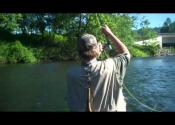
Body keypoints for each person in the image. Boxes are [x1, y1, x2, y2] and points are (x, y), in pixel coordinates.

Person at [66, 25, 131, 112]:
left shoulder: (71, 73)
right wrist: (109, 34)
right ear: (96, 48)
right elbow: (126, 54)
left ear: (79, 52)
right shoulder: (111, 65)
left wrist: (96, 50)